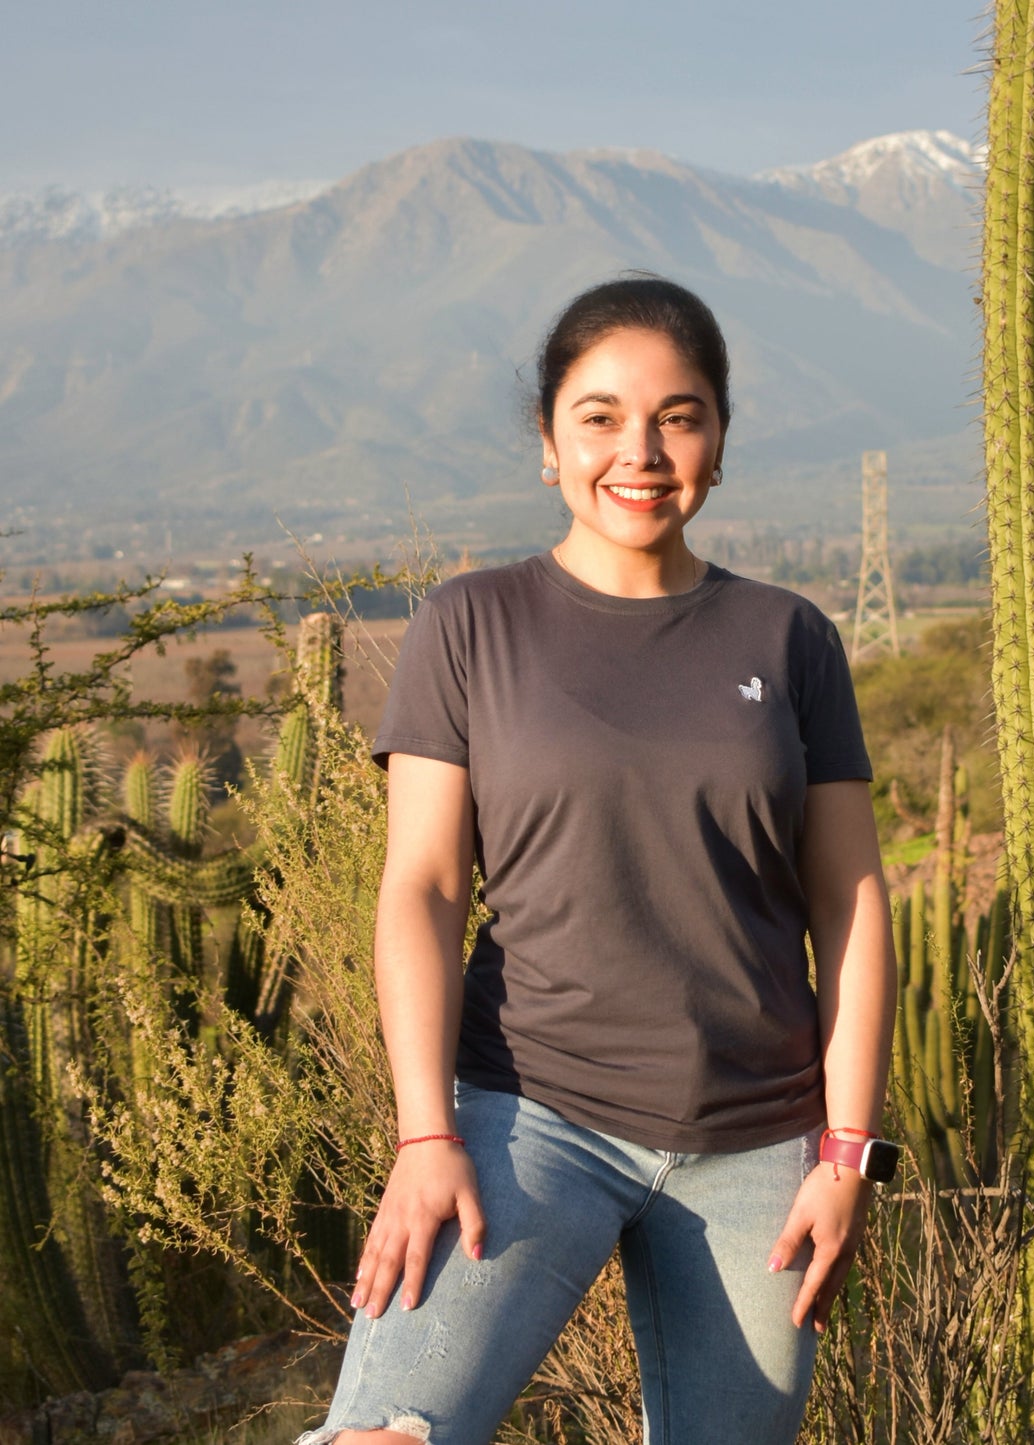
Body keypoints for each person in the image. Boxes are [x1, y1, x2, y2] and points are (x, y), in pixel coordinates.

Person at [299, 275, 897, 1445]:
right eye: (601, 415)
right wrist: (425, 1134)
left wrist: (846, 1153)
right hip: (527, 1117)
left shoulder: (788, 637)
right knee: (384, 1438)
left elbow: (852, 899)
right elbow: (421, 885)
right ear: (548, 440)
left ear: (718, 441)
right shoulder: (468, 624)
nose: (641, 448)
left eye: (678, 415)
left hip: (758, 1145)